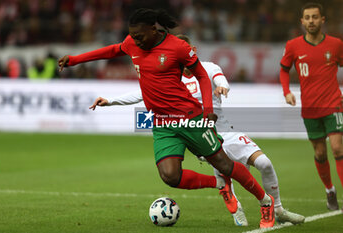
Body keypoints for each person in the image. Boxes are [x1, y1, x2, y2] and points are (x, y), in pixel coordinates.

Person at [59, 8, 275, 228]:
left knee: (225, 164)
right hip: (162, 122)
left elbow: (201, 74)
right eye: (132, 36)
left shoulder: (177, 47)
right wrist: (75, 60)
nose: (135, 41)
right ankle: (219, 184)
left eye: (139, 36)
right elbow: (112, 50)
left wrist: (208, 108)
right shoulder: (133, 42)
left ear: (154, 29)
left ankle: (265, 201)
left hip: (189, 117)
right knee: (170, 176)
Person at [99, 34, 305, 226]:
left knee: (264, 163)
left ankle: (277, 209)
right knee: (225, 171)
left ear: (192, 50)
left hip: (226, 130)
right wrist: (110, 101)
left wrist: (223, 87)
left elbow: (220, 78)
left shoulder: (207, 67)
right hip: (200, 134)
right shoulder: (169, 76)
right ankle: (237, 207)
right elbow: (139, 93)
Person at [280, 2, 343, 211]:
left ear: (322, 20)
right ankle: (329, 191)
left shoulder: (336, 44)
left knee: (337, 148)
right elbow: (283, 69)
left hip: (334, 104)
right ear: (302, 21)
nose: (311, 21)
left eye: (315, 17)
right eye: (307, 17)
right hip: (310, 108)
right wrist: (286, 91)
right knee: (320, 154)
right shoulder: (293, 45)